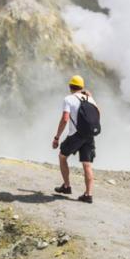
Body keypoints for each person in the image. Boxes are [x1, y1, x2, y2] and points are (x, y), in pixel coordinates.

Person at [52, 75, 98, 203]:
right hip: (89, 135)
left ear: (70, 86)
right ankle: (88, 195)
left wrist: (57, 137)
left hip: (76, 135)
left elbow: (65, 119)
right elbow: (98, 113)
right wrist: (91, 96)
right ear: (82, 87)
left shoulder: (68, 99)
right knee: (87, 164)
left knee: (62, 156)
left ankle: (66, 186)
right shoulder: (90, 98)